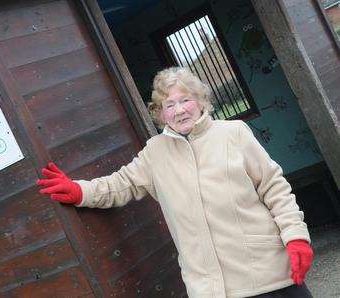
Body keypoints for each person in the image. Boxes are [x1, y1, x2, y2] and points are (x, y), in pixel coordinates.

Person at [36, 67, 314, 298]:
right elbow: (120, 184)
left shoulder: (234, 134)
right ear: (160, 114)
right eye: (169, 105)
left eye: (186, 100)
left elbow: (274, 187)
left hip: (268, 273)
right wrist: (78, 190)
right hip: (211, 289)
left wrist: (296, 237)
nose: (179, 110)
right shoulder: (155, 152)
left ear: (202, 101)